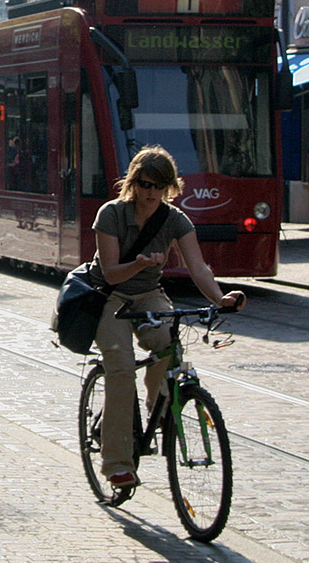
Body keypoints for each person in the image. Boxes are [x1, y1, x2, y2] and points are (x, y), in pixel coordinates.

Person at [87, 146, 246, 489]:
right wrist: (140, 263)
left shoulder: (175, 219)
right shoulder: (111, 214)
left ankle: (155, 408)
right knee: (121, 369)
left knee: (169, 345)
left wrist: (221, 298)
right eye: (145, 184)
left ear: (169, 187)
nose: (151, 193)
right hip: (110, 297)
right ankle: (117, 464)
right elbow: (111, 273)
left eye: (159, 186)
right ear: (133, 183)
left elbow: (198, 267)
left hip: (148, 294)